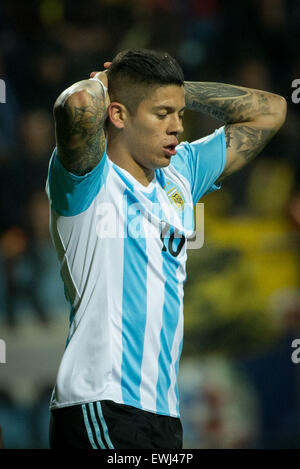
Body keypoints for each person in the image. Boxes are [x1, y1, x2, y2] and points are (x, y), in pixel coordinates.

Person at [47, 48, 286, 449]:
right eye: (162, 114)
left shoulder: (181, 173)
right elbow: (78, 104)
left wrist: (174, 93)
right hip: (100, 404)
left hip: (162, 413)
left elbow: (271, 110)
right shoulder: (87, 180)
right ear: (119, 114)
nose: (177, 126)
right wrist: (108, 83)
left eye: (178, 114)